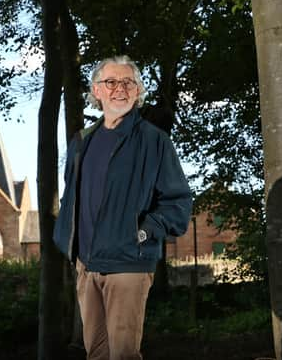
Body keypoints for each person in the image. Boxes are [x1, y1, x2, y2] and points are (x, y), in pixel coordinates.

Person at [53, 55, 193, 360]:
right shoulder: (81, 142)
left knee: (123, 355)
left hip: (128, 263)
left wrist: (142, 233)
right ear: (97, 91)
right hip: (86, 266)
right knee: (96, 354)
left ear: (138, 91)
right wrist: (69, 244)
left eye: (129, 82)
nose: (120, 88)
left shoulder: (154, 142)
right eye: (111, 82)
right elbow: (71, 197)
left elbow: (178, 202)